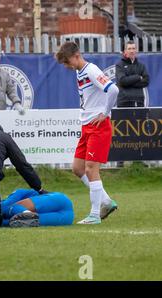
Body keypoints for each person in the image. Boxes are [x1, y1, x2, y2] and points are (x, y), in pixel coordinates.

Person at [55, 41, 118, 225]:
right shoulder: (78, 71)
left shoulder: (92, 70)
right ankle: (106, 201)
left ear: (76, 56)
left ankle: (94, 214)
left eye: (67, 62)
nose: (66, 66)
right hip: (86, 126)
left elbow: (113, 89)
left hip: (98, 126)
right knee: (78, 168)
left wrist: (105, 113)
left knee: (91, 169)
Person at [1, 189, 74, 227]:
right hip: (67, 218)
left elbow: (6, 205)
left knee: (9, 208)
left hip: (58, 200)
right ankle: (27, 214)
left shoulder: (18, 192)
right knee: (23, 222)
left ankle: (26, 213)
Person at [116, 40, 150, 108]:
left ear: (136, 51)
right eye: (129, 49)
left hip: (139, 102)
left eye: (133, 48)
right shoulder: (119, 65)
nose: (131, 51)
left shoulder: (141, 66)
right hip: (124, 102)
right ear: (125, 51)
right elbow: (123, 81)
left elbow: (146, 81)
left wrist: (129, 82)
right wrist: (138, 77)